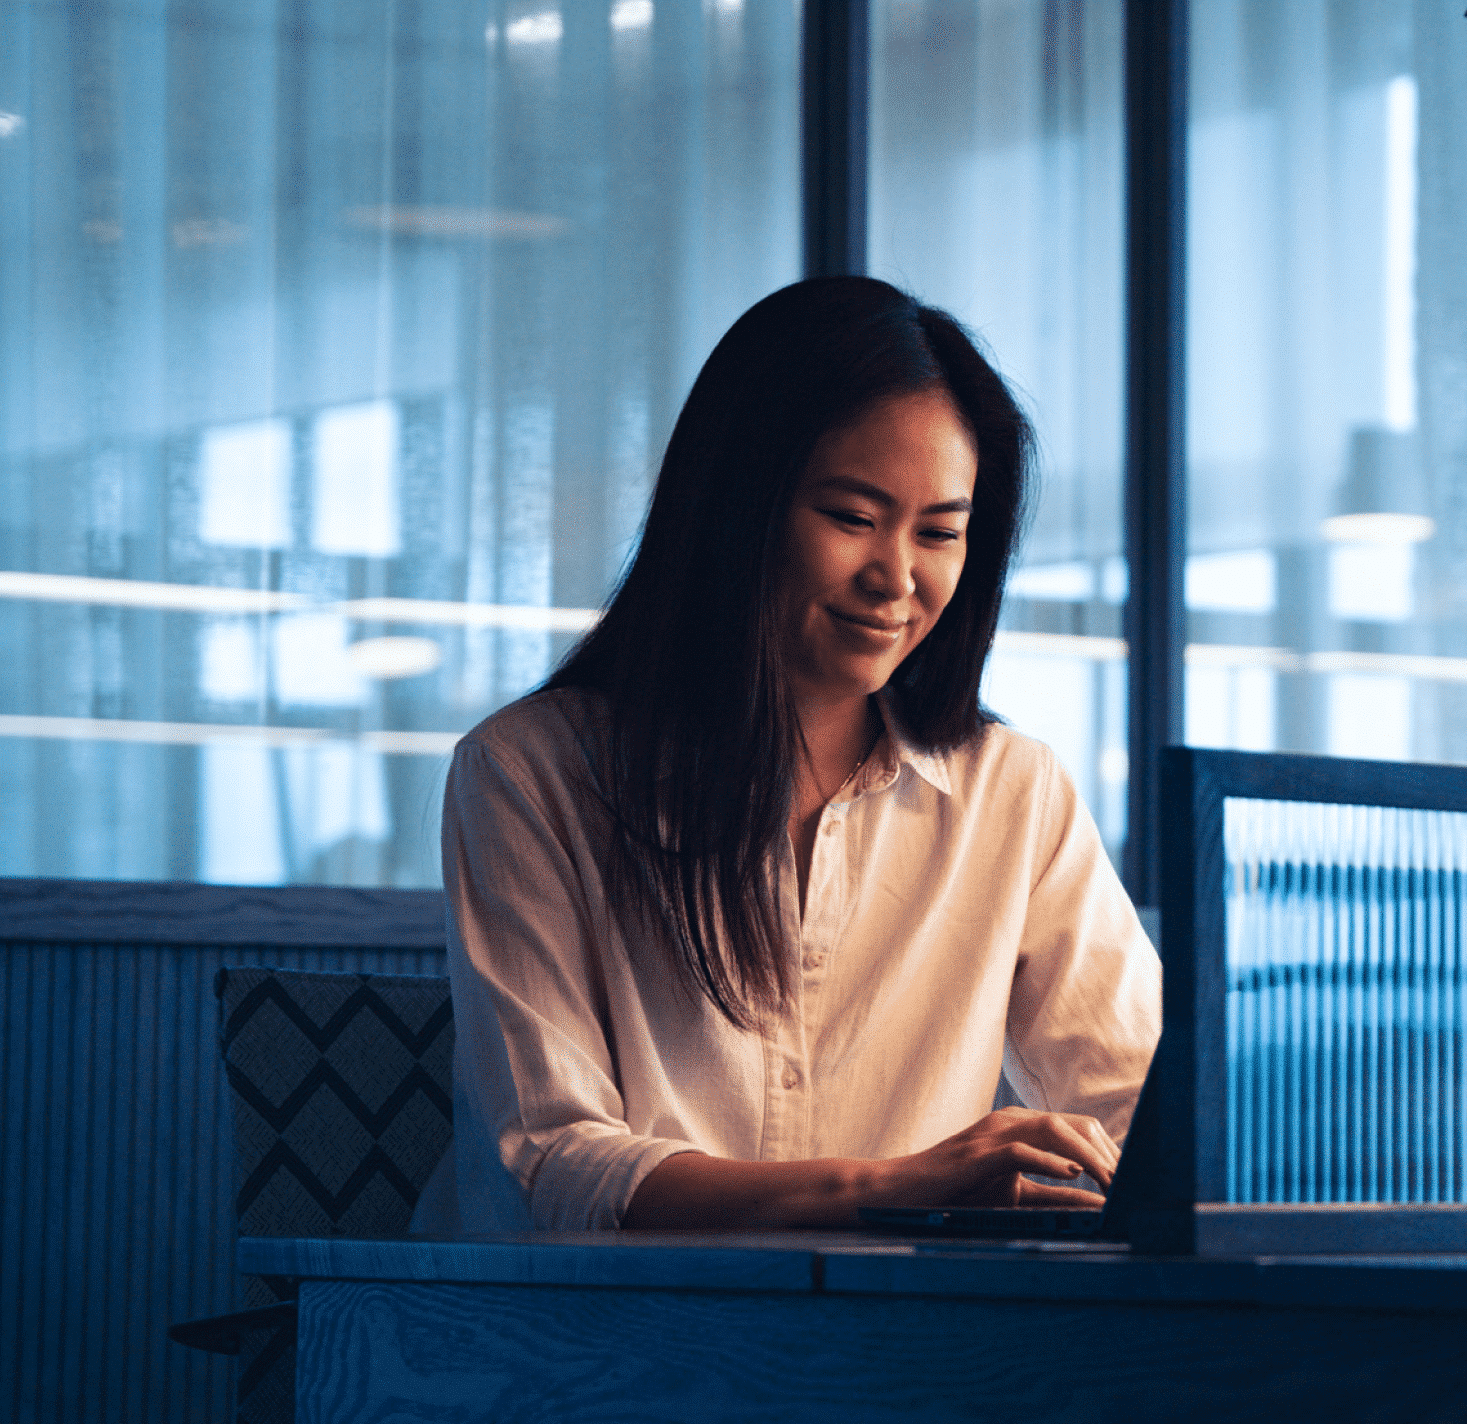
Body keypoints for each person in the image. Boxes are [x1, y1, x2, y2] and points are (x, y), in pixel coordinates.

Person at [411, 276, 1161, 1234]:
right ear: (736, 508)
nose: (897, 578)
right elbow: (555, 1163)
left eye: (940, 532)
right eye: (852, 518)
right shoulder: (532, 772)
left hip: (893, 1347)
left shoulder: (1015, 792)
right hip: (599, 1342)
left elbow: (1138, 1105)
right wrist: (891, 1189)